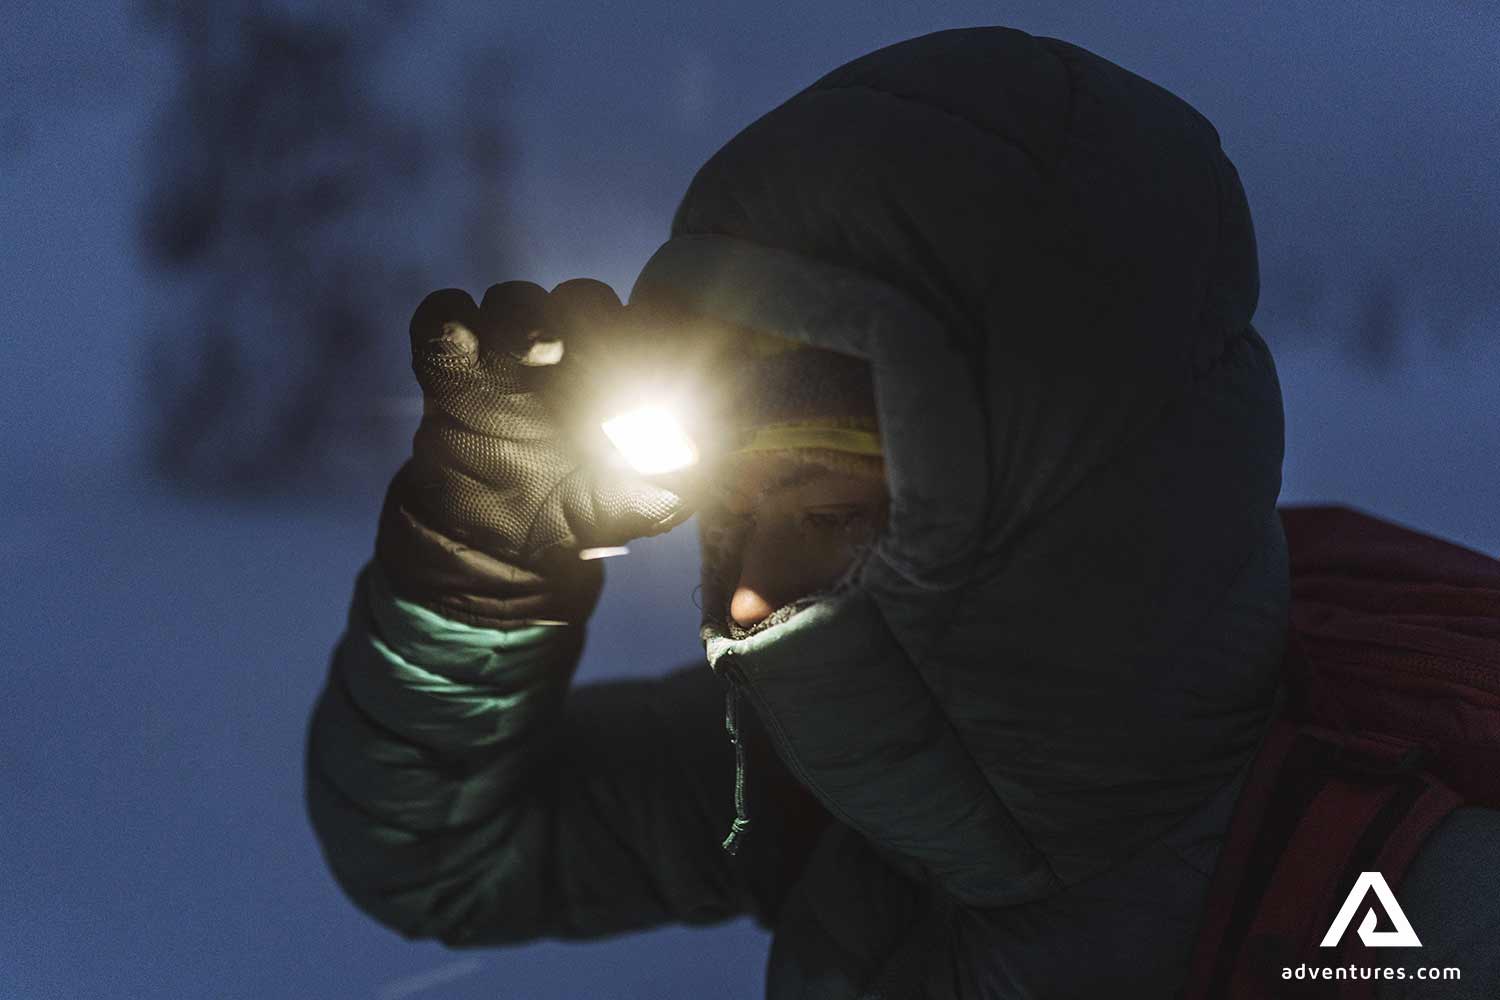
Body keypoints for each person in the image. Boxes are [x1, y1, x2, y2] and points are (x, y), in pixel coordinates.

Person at [306, 26, 1492, 997]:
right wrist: (482, 551)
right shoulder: (838, 769)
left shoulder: (1419, 909)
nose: (743, 605)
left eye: (831, 517)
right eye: (731, 515)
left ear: (1059, 521)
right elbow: (441, 855)